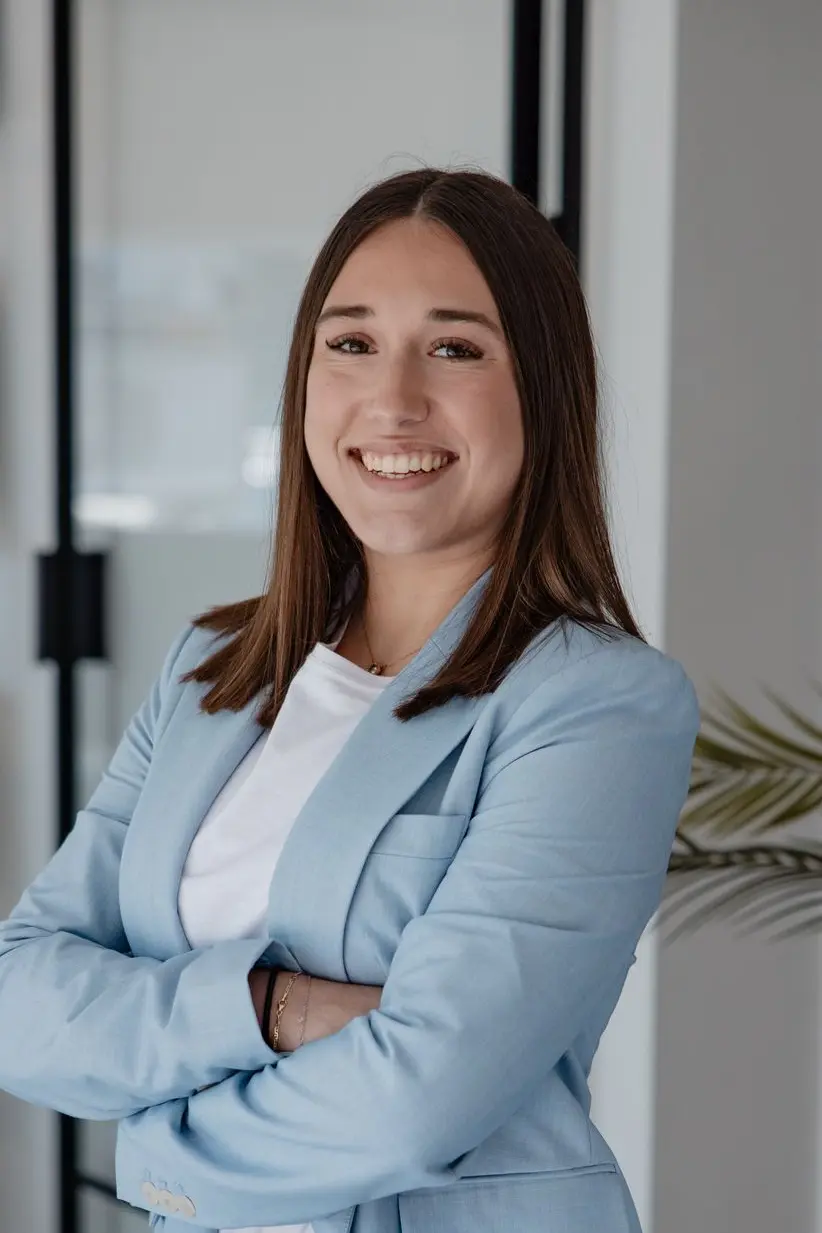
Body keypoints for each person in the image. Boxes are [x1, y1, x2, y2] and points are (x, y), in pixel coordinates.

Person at [0, 167, 700, 1233]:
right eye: (353, 343)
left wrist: (154, 1147)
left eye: (455, 349)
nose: (395, 400)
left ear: (544, 389)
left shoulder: (596, 706)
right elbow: (20, 1000)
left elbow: (418, 1100)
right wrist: (270, 1008)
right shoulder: (211, 669)